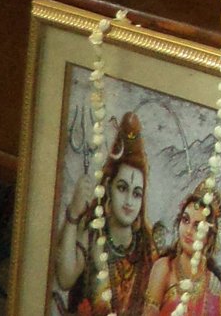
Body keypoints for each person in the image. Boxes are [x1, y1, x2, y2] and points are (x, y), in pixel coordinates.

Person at [54, 111, 156, 316]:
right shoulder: (93, 237)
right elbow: (64, 279)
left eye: (136, 194)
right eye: (122, 188)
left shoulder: (146, 249)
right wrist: (74, 214)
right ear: (108, 187)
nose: (129, 201)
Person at [141, 181, 221, 316]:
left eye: (197, 227)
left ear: (210, 238)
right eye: (185, 220)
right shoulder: (165, 269)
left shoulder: (215, 288)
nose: (188, 231)